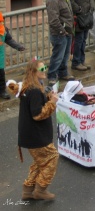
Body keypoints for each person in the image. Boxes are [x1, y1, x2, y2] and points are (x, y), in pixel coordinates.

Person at [7, 59, 59, 200]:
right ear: (34, 72)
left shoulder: (28, 87)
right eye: (42, 69)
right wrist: (52, 103)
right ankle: (41, 189)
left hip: (30, 135)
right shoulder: (34, 90)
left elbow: (34, 105)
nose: (45, 71)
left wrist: (47, 98)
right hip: (37, 136)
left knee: (40, 162)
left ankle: (28, 190)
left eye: (45, 68)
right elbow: (37, 114)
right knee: (52, 157)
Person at [46, 0, 75, 86]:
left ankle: (63, 72)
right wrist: (63, 31)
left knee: (65, 55)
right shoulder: (53, 0)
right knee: (58, 55)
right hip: (59, 33)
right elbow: (53, 20)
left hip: (67, 30)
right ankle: (52, 75)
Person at [69, 0, 94, 71]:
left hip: (87, 15)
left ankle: (82, 61)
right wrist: (78, 9)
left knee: (84, 39)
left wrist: (91, 7)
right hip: (79, 16)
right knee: (79, 40)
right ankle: (76, 62)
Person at [0, 12, 25, 99]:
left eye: (2, 21)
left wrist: (18, 47)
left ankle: (2, 91)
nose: (1, 23)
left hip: (0, 56)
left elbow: (9, 40)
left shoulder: (4, 30)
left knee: (1, 74)